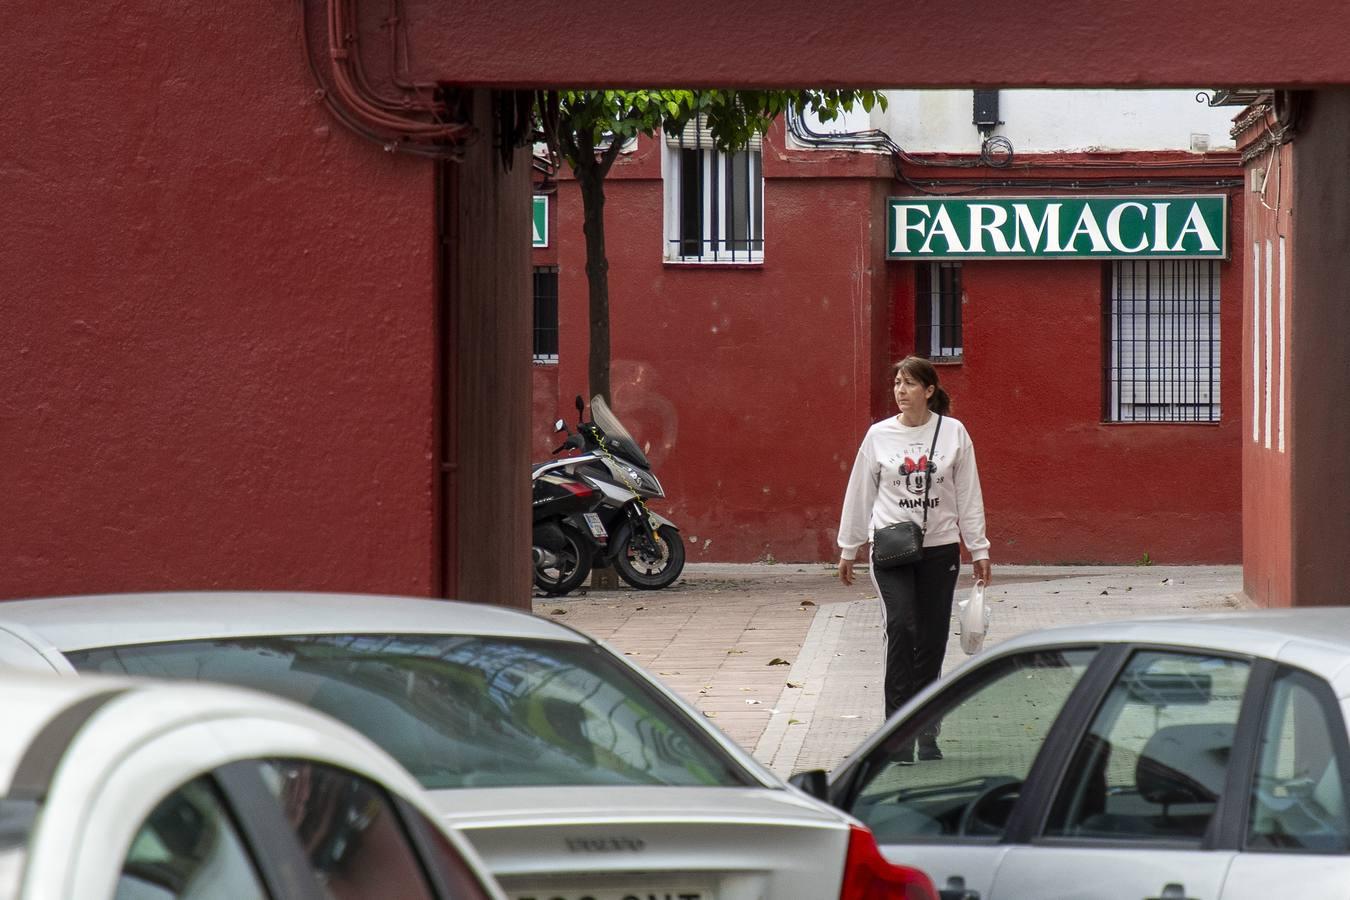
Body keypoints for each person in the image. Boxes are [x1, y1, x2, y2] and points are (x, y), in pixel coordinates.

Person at [837, 355, 991, 761]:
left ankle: (927, 729)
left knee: (933, 639)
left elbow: (968, 495)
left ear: (929, 390)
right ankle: (896, 732)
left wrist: (979, 548)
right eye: (897, 384)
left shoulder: (954, 434)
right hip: (891, 549)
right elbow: (860, 493)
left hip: (940, 550)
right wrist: (848, 547)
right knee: (902, 628)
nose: (900, 391)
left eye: (909, 384)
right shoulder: (878, 436)